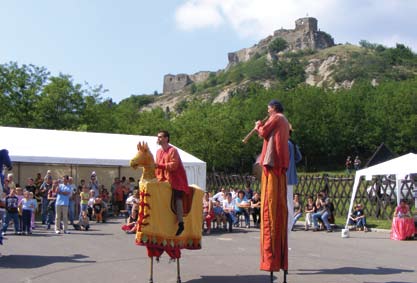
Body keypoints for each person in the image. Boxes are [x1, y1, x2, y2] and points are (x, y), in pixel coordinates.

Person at [254, 99, 290, 273]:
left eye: (268, 107)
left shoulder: (276, 117)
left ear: (274, 108)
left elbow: (263, 133)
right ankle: (278, 259)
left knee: (269, 211)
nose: (267, 110)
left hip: (272, 163)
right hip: (280, 164)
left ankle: (271, 259)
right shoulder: (284, 120)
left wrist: (258, 126)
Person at [155, 130, 190, 236]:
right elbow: (157, 167)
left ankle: (180, 222)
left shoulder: (173, 150)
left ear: (166, 138)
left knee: (177, 199)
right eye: (158, 137)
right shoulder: (158, 152)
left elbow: (174, 166)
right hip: (162, 179)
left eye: (160, 137)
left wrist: (159, 166)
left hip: (176, 180)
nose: (158, 139)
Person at [286, 124, 302, 234]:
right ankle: (289, 223)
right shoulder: (293, 143)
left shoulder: (285, 144)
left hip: (284, 175)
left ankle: (288, 224)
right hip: (291, 176)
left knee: (285, 202)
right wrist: (292, 164)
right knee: (289, 202)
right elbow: (299, 157)